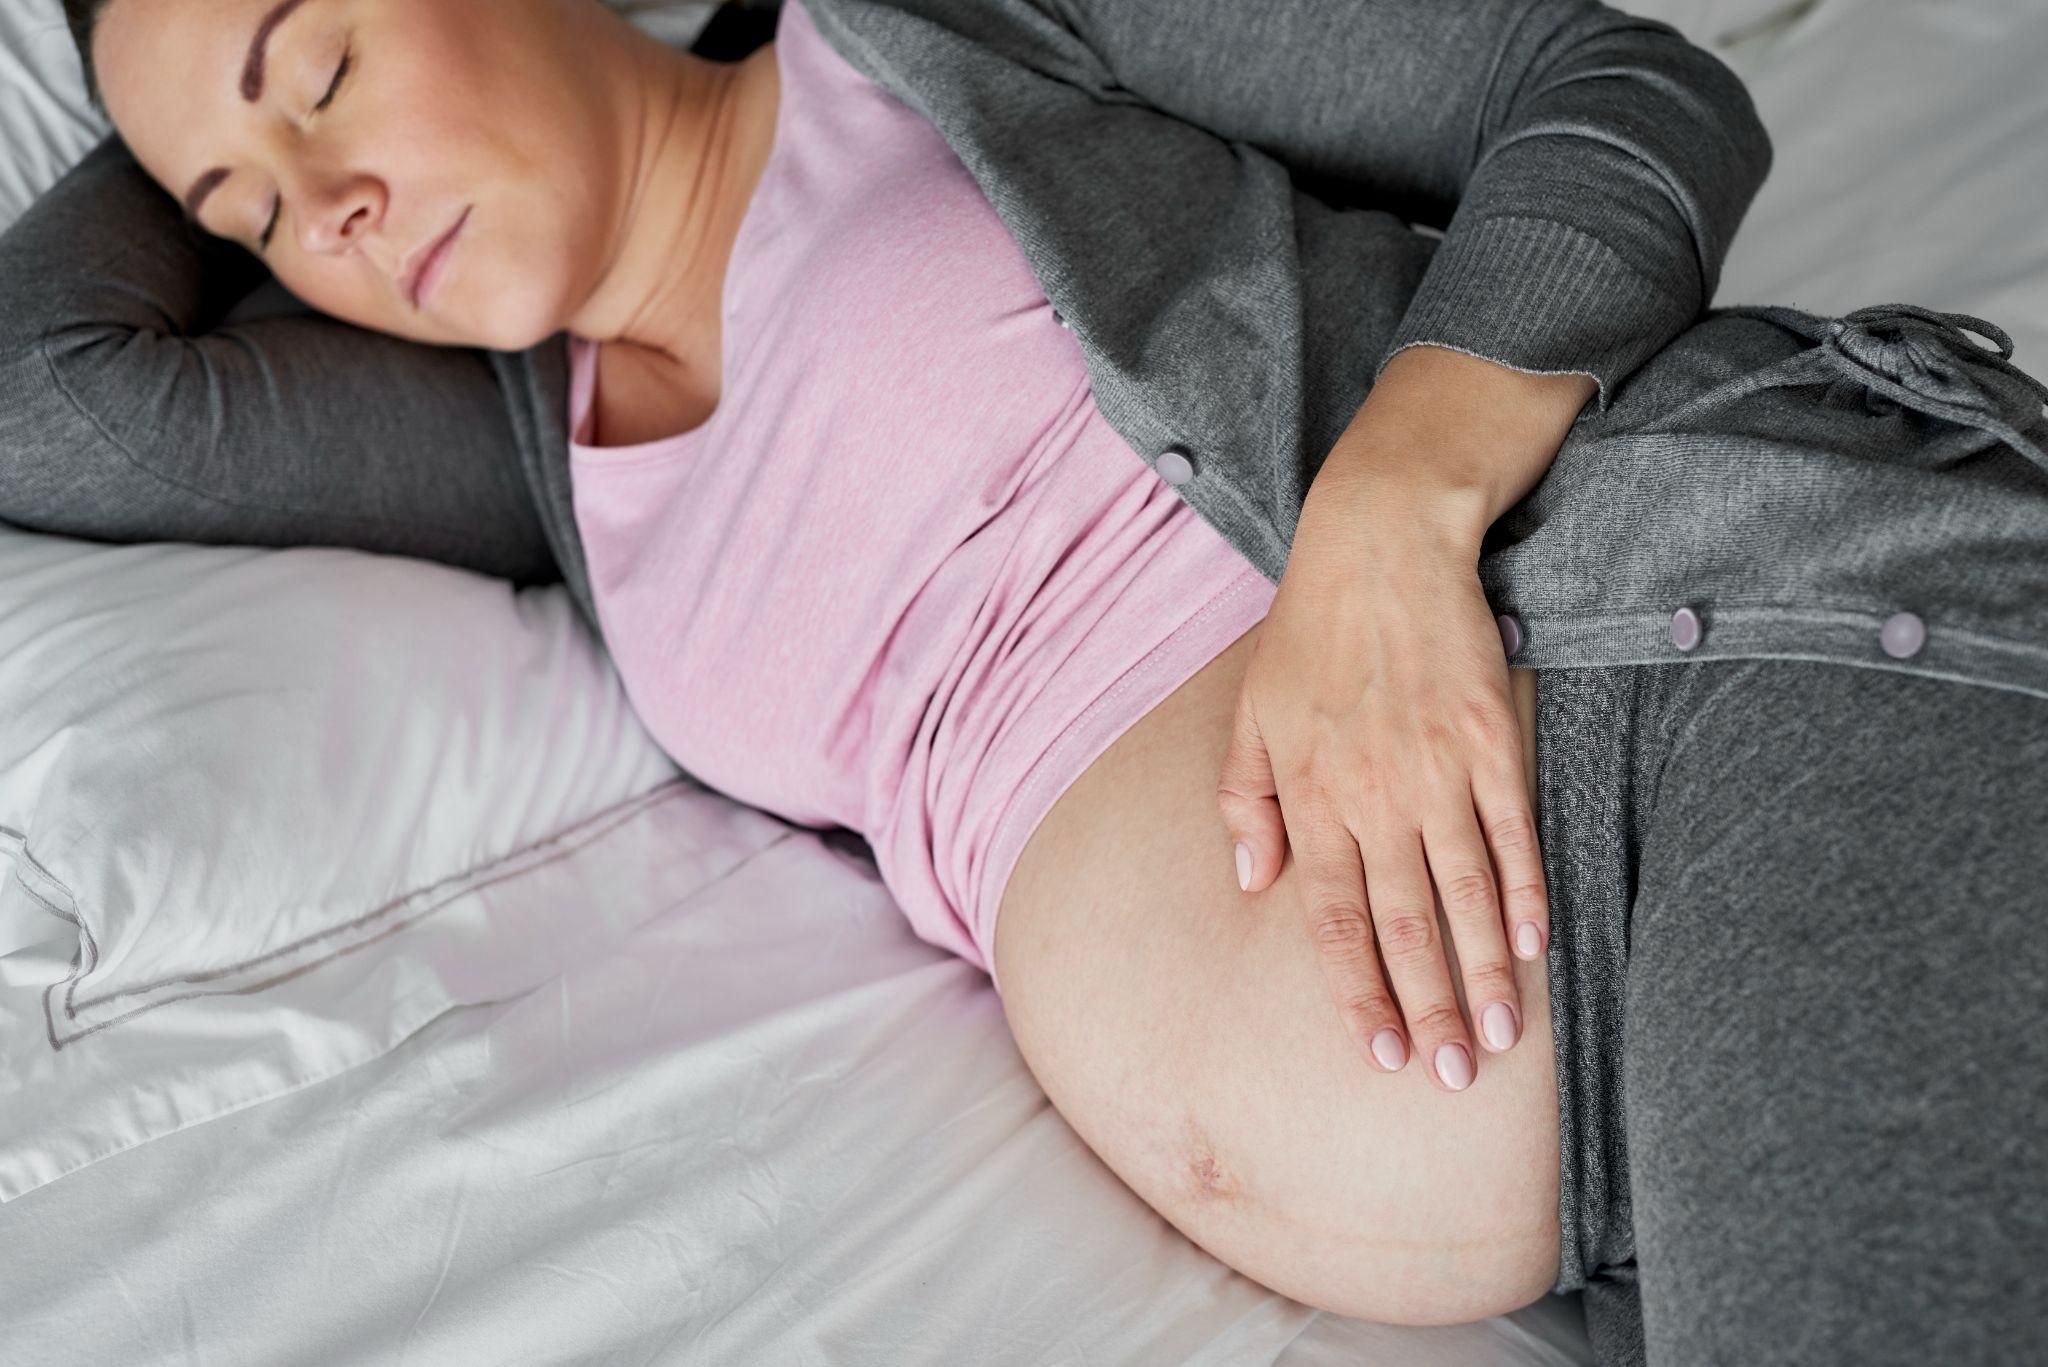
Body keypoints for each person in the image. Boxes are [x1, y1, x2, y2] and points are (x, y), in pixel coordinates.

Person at [2, 0, 2043, 1361]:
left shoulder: (931, 25)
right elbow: (50, 400)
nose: (324, 211)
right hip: (1599, 1166)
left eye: (321, 68)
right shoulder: (526, 454)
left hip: (1696, 695)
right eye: (248, 210)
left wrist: (1383, 520)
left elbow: (1621, 93)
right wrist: (195, 89)